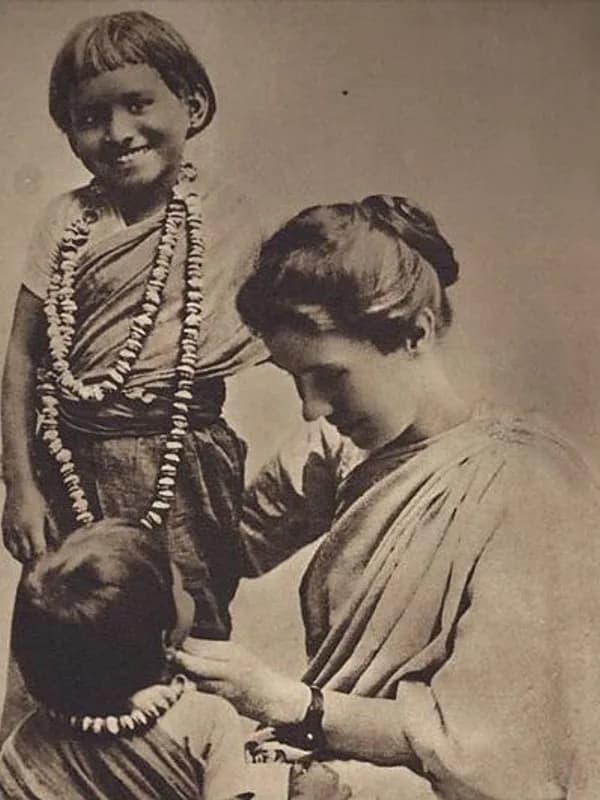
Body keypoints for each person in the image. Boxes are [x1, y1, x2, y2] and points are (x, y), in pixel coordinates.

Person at [174, 195, 600, 799]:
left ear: (415, 333)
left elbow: (498, 751)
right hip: (321, 773)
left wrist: (284, 699)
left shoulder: (532, 488)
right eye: (295, 380)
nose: (311, 407)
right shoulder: (337, 449)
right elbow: (222, 546)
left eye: (330, 376)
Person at [2, 10, 265, 641]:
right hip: (70, 464)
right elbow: (22, 359)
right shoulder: (65, 221)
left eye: (138, 104)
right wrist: (20, 486)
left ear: (192, 105)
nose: (118, 132)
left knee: (187, 633)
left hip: (181, 465)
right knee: (67, 635)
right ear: (69, 133)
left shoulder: (227, 220)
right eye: (91, 117)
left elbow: (294, 336)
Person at [0, 519, 255, 799]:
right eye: (180, 589)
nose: (186, 593)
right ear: (164, 637)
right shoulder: (206, 720)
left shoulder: (22, 746)